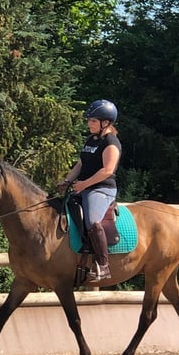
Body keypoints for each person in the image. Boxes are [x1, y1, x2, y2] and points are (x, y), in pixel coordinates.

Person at [57, 99, 122, 281]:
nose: (89, 124)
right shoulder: (92, 139)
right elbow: (81, 163)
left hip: (101, 189)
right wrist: (67, 180)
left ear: (106, 123)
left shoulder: (111, 142)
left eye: (93, 121)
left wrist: (84, 185)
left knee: (93, 221)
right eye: (89, 120)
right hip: (83, 187)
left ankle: (103, 265)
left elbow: (107, 170)